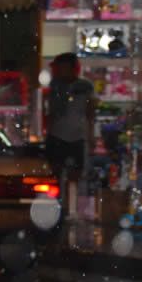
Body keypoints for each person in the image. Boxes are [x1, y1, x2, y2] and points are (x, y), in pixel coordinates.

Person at [44, 53, 97, 214]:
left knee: (74, 176)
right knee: (55, 176)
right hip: (57, 136)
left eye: (62, 67)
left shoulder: (84, 87)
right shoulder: (55, 86)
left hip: (76, 137)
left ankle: (69, 209)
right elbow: (51, 113)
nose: (59, 71)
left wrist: (91, 136)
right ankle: (57, 208)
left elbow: (90, 113)